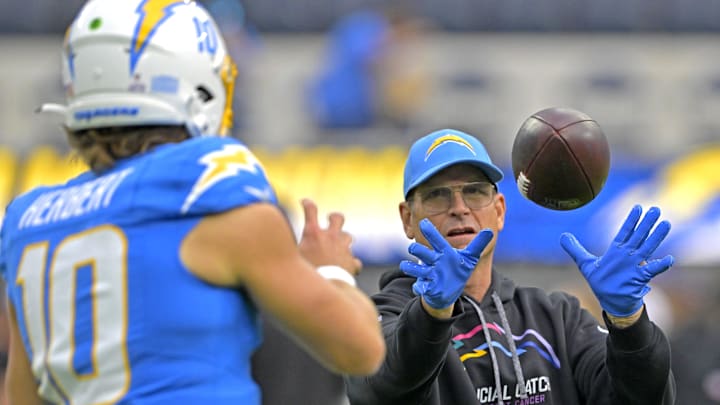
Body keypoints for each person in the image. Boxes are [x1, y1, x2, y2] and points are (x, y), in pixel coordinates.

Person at [0, 1, 384, 403]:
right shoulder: (211, 186)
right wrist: (331, 272)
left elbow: (22, 398)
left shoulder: (29, 222)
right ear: (199, 86)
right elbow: (361, 350)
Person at [345, 129, 676, 404]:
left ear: (500, 211)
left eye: (475, 192)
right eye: (437, 195)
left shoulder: (557, 318)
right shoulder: (378, 318)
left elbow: (643, 399)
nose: (459, 208)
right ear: (408, 219)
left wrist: (629, 324)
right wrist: (432, 313)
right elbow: (383, 387)